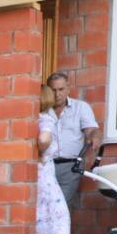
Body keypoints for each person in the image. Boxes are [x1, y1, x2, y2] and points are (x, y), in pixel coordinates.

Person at [43, 72, 100, 210]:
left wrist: (94, 136)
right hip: (46, 167)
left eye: (61, 89)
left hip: (70, 167)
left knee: (60, 207)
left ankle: (59, 232)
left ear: (68, 89)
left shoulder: (81, 107)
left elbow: (91, 129)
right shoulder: (43, 110)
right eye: (53, 90)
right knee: (45, 208)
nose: (57, 94)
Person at [36, 84, 73, 234]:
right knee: (59, 217)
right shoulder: (46, 118)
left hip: (39, 176)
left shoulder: (35, 118)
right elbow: (44, 139)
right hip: (45, 177)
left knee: (41, 219)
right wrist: (40, 152)